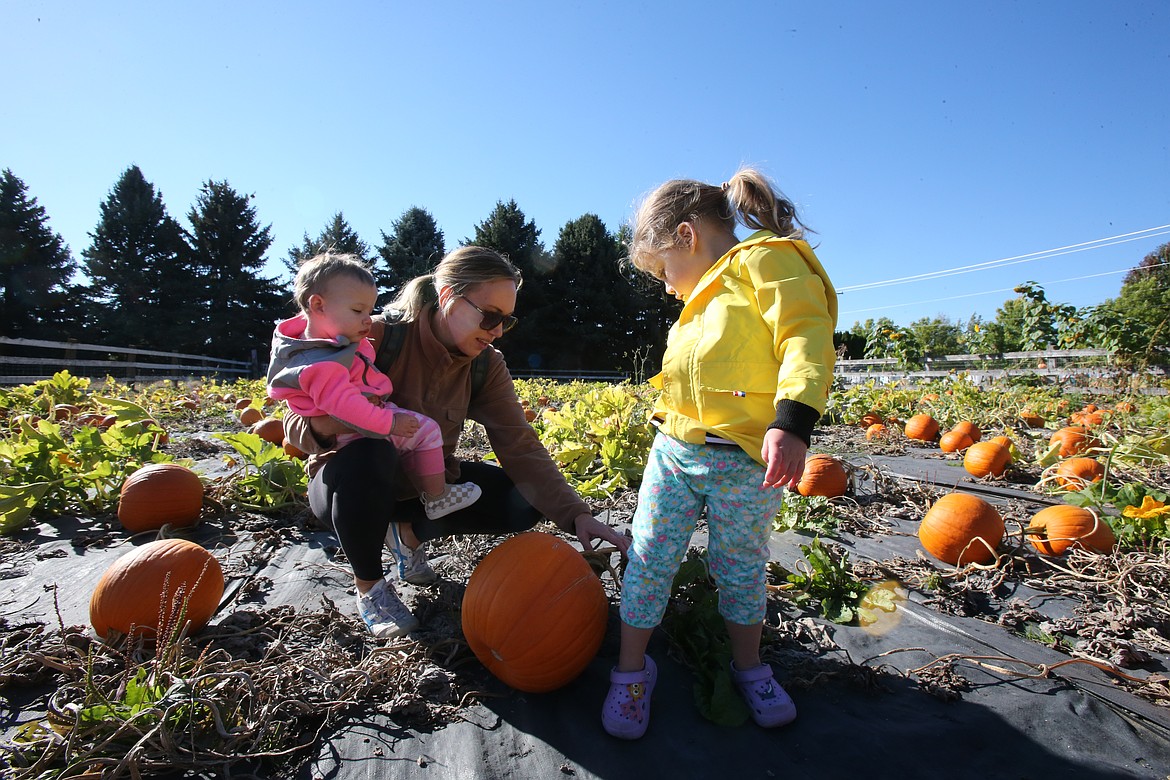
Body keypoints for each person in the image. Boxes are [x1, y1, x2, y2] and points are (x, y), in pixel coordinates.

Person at [282, 245, 631, 639]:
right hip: (347, 487)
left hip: (422, 489)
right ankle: (371, 588)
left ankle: (406, 535)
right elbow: (293, 421)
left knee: (522, 501)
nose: (497, 330)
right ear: (448, 296)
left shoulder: (485, 364)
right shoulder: (374, 337)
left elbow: (521, 445)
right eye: (490, 316)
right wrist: (352, 422)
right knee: (371, 450)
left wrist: (576, 514)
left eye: (507, 321)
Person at [601, 169, 838, 739]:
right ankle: (630, 672)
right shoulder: (701, 296)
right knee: (650, 556)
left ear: (686, 236)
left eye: (662, 270)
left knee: (739, 568)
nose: (664, 285)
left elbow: (805, 336)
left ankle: (750, 666)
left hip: (745, 459)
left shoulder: (768, 262)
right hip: (675, 451)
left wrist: (794, 421)